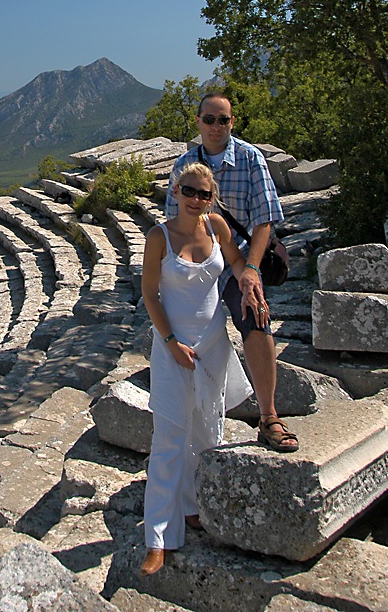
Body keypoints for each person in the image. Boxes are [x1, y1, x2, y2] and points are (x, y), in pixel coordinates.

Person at [166, 92, 299, 454]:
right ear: (198, 121)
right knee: (187, 331)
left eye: (222, 120)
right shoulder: (184, 166)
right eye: (209, 119)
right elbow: (174, 224)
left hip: (239, 257)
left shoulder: (250, 158)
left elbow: (264, 220)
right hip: (201, 261)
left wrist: (252, 270)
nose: (215, 127)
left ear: (232, 122)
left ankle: (269, 417)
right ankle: (189, 422)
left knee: (256, 317)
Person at [140, 163, 256, 576]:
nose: (195, 199)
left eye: (203, 194)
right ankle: (157, 538)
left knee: (208, 431)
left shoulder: (217, 227)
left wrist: (248, 281)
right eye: (188, 190)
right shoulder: (159, 237)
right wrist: (171, 342)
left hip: (212, 344)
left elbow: (237, 261)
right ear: (175, 190)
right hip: (172, 345)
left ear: (211, 198)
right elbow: (150, 294)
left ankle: (193, 507)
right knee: (169, 437)